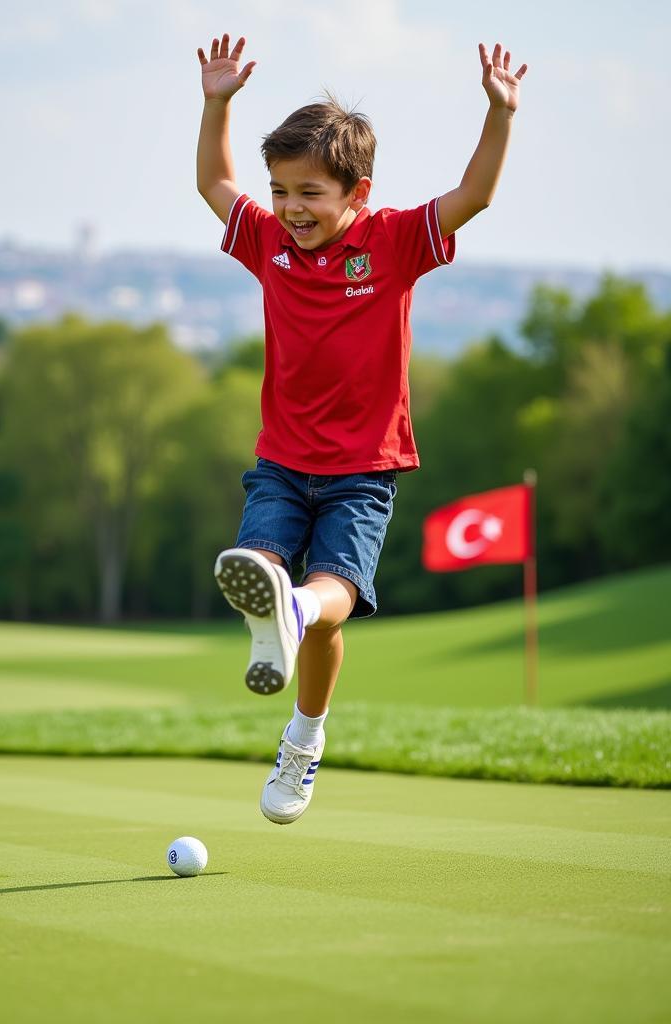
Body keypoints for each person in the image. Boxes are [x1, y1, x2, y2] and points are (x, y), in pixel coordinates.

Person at [196, 33, 527, 824]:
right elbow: (214, 182)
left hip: (363, 468)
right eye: (280, 191)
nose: (289, 208)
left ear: (358, 193)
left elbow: (473, 196)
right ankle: (283, 618)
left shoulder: (395, 241)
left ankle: (303, 732)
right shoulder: (271, 244)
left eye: (309, 192)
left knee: (330, 591)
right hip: (280, 460)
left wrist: (499, 114)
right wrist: (217, 103)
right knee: (260, 566)